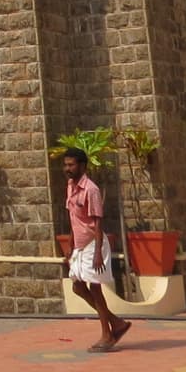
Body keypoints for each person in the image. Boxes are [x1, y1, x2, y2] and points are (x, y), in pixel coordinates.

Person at [63, 145, 130, 352]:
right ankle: (115, 322)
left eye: (71, 165)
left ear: (82, 165)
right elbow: (73, 217)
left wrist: (99, 253)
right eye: (65, 165)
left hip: (94, 244)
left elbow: (97, 223)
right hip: (80, 246)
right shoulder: (70, 186)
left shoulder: (91, 189)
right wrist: (70, 244)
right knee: (77, 286)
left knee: (95, 289)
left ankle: (107, 334)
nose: (67, 168)